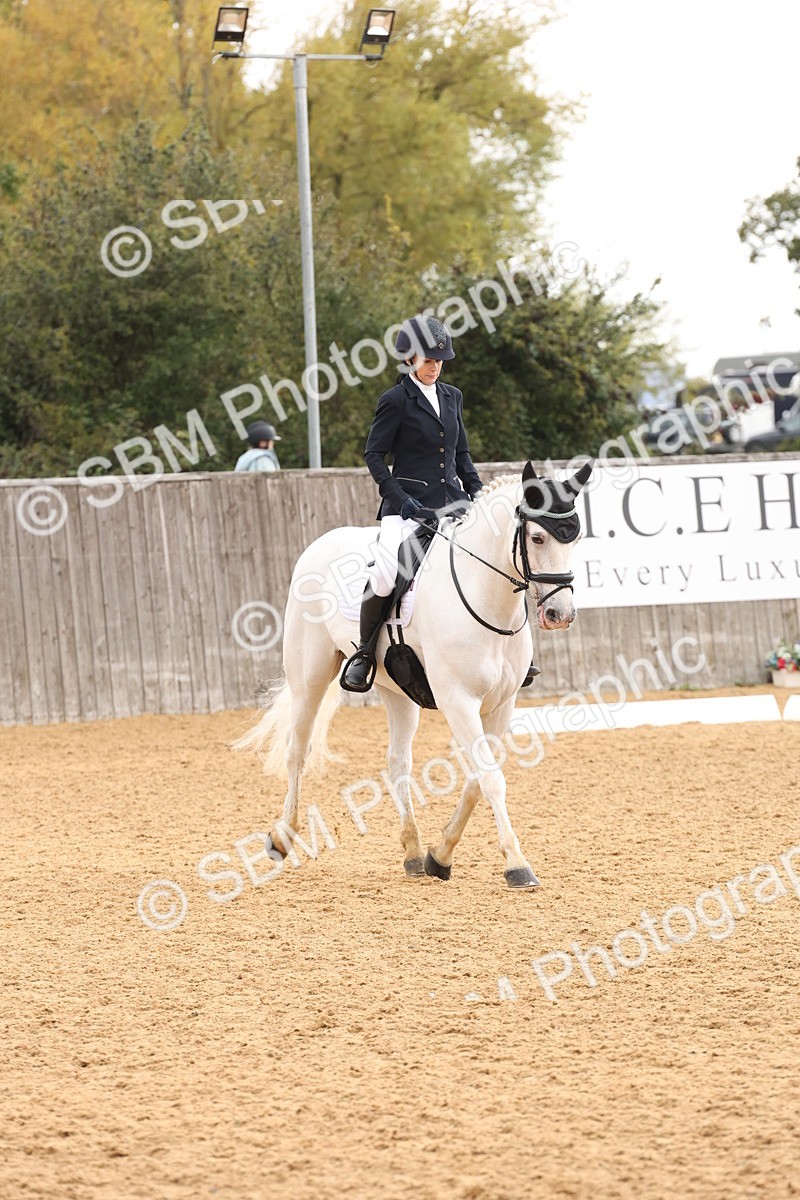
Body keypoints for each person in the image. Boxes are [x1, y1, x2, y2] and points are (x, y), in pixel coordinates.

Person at [341, 314, 539, 692]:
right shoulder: (395, 400)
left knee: (502, 559)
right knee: (386, 571)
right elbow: (374, 456)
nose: (435, 367)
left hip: (454, 504)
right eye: (428, 360)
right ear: (409, 359)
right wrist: (400, 498)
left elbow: (461, 453)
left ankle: (514, 654)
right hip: (408, 508)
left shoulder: (452, 396)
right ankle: (365, 653)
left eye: (439, 360)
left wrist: (480, 493)